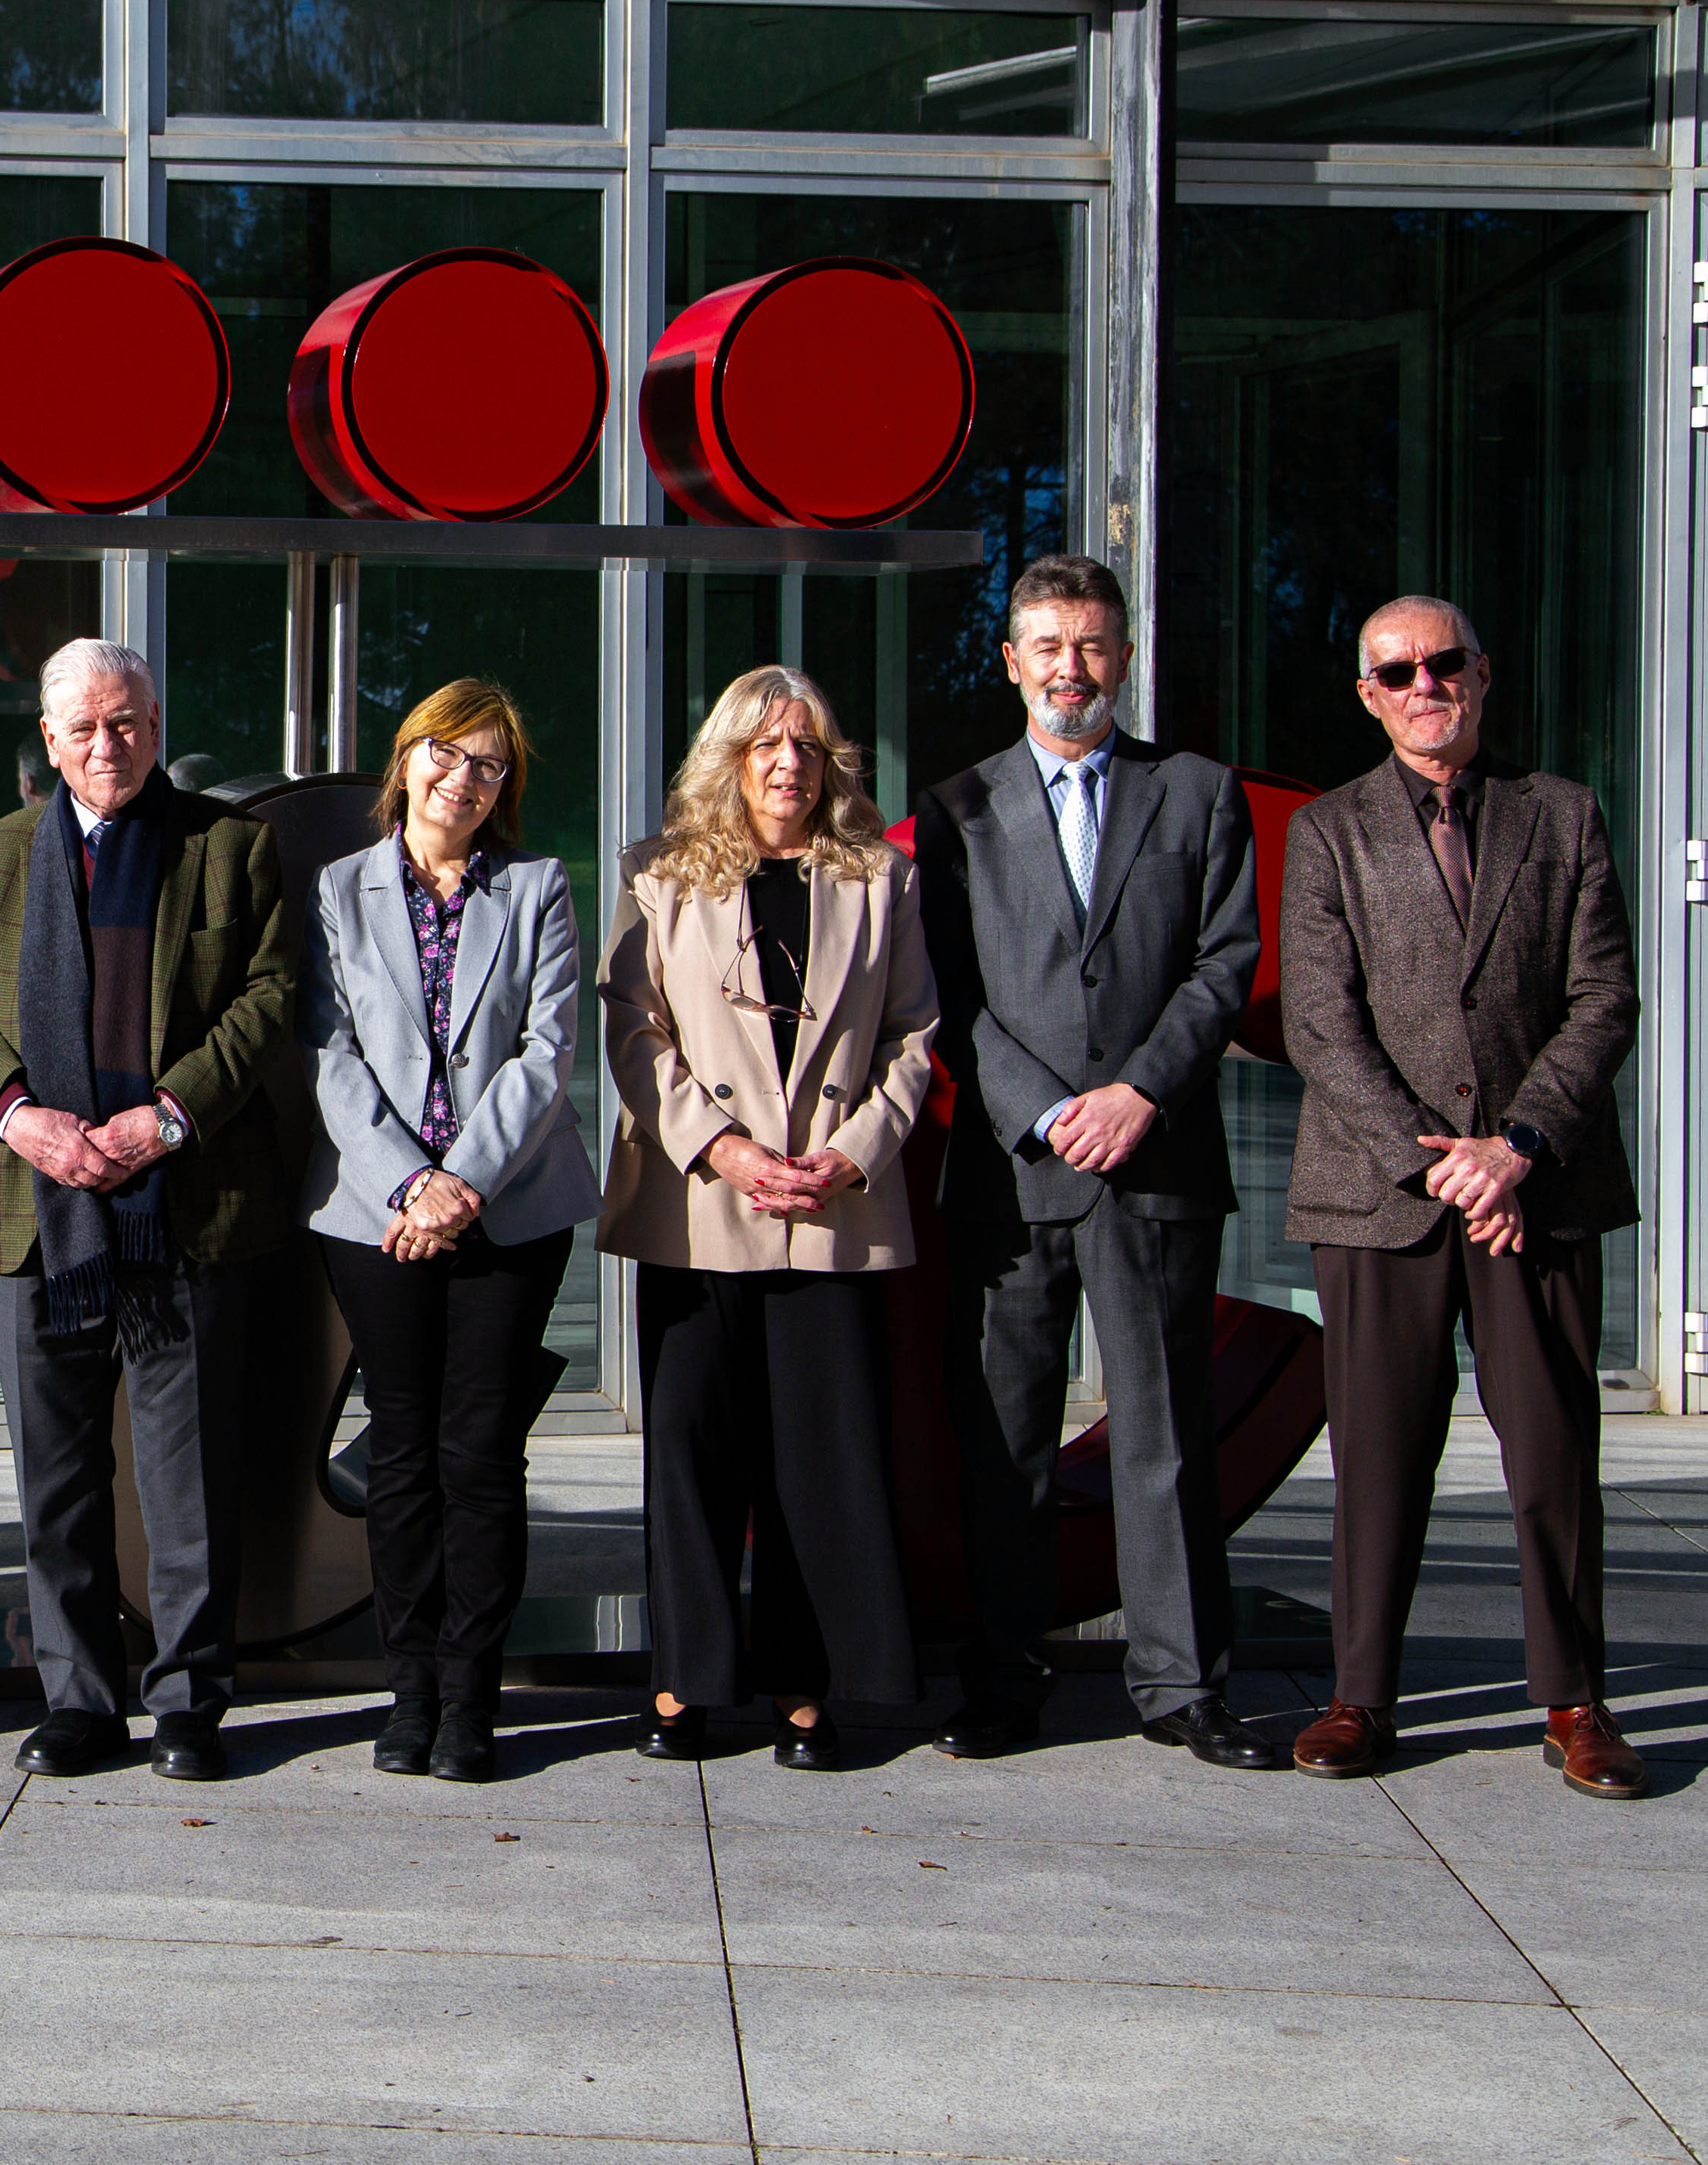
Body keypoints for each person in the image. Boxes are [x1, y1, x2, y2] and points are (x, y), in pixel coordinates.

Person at [914, 557, 1282, 1771]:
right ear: (1010, 661)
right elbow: (949, 996)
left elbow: (1224, 964)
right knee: (1004, 1440)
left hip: (1153, 1156)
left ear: (1121, 658)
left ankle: (1180, 1684)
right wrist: (1042, 1109)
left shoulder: (1195, 792)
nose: (1069, 668)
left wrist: (1134, 1093)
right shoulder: (957, 808)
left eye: (1090, 645)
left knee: (1165, 1432)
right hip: (1011, 1174)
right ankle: (1002, 1675)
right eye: (1046, 646)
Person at [1280, 598, 1646, 1799]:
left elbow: (1603, 999)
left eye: (1442, 663)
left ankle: (1573, 1699)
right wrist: (1438, 1158)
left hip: (1535, 1192)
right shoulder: (1328, 831)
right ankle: (1360, 1696)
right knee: (1378, 1455)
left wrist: (1516, 1148)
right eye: (1397, 670)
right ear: (1368, 694)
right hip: (1382, 1194)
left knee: (1550, 1454)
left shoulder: (1562, 813)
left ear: (1480, 675)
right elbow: (1318, 1022)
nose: (1423, 682)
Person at [0, 639, 302, 1783]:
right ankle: (79, 1701)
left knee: (187, 1478)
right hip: (33, 1211)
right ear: (48, 742)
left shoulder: (230, 847)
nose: (110, 746)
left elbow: (269, 996)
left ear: (157, 723)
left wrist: (167, 1117)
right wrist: (19, 1118)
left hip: (182, 1207)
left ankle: (191, 1701)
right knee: (53, 1479)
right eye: (85, 728)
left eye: (129, 723)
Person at [599, 666, 936, 1772]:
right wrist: (725, 1148)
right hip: (702, 1203)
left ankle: (806, 1683)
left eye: (806, 746)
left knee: (819, 1456)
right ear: (728, 758)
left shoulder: (878, 879)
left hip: (831, 1204)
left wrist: (850, 1153)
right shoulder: (658, 876)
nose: (786, 763)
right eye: (764, 745)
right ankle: (684, 1680)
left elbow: (911, 1036)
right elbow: (634, 1032)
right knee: (693, 1450)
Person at [300, 679, 599, 1783]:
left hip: (509, 1211)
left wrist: (459, 1184)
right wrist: (406, 1188)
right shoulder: (341, 889)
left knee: (481, 1458)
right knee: (403, 1456)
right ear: (405, 757)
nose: (460, 778)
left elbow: (546, 1049)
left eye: (487, 764)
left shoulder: (536, 888)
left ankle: (473, 1699)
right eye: (444, 753)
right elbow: (328, 1053)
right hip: (375, 1219)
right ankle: (408, 1691)